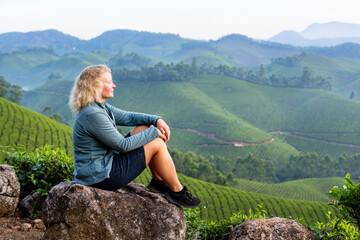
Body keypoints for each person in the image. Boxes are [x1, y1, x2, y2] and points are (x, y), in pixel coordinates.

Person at [68, 64, 201, 208]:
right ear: (95, 86)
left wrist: (156, 120)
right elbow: (122, 145)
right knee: (157, 142)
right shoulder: (92, 114)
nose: (114, 85)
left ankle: (158, 182)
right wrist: (155, 132)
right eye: (109, 82)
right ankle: (177, 191)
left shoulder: (100, 107)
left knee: (145, 126)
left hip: (104, 166)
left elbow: (129, 118)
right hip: (100, 177)